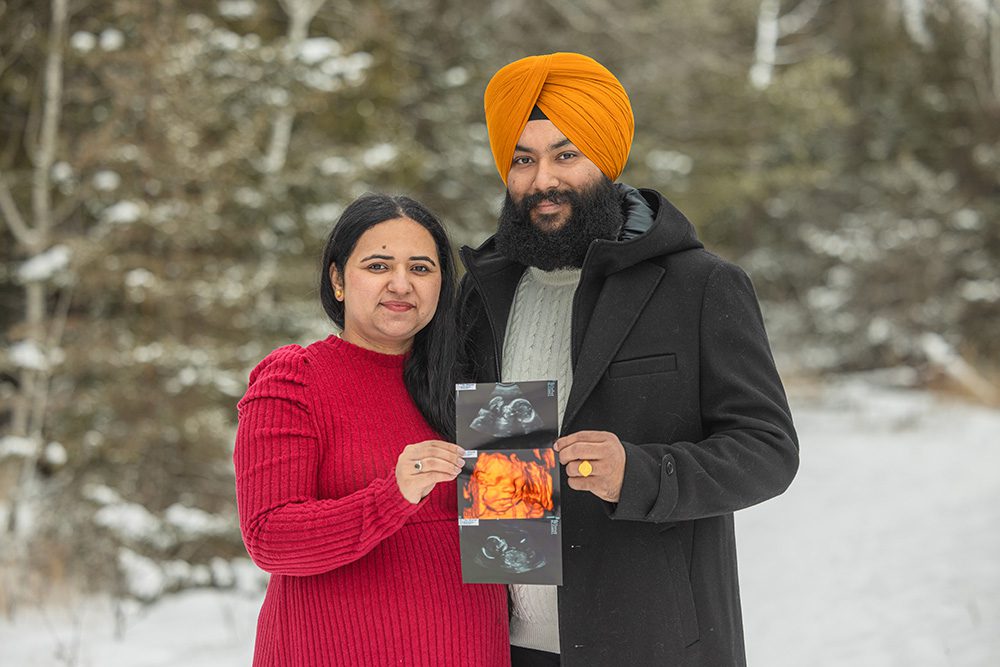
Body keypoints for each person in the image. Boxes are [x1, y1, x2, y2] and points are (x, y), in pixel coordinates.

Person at [457, 53, 799, 666]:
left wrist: (640, 474)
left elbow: (768, 451)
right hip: (506, 646)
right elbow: (496, 474)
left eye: (566, 155)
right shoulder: (485, 293)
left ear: (607, 159)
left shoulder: (700, 285)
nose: (543, 182)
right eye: (523, 159)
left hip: (652, 643)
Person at [234, 194, 509, 667]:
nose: (401, 284)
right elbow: (270, 537)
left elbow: (516, 553)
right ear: (338, 280)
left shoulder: (479, 389)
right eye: (379, 266)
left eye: (421, 269)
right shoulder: (295, 379)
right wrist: (393, 495)